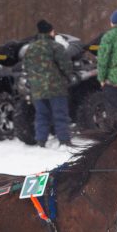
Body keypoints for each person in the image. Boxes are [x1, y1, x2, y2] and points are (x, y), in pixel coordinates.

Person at [23, 19, 74, 147]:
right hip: (55, 87)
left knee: (41, 116)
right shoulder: (56, 46)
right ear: (50, 31)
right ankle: (64, 140)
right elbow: (65, 66)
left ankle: (41, 141)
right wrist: (69, 77)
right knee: (60, 115)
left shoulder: (30, 48)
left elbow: (26, 67)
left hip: (37, 89)